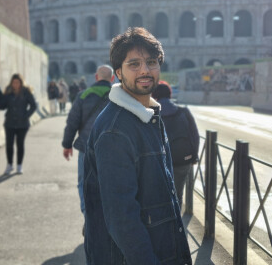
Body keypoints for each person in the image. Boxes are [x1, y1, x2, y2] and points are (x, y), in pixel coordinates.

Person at [84, 27, 192, 265]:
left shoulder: (147, 116)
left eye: (151, 62)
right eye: (134, 64)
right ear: (119, 73)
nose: (145, 70)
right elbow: (122, 219)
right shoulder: (115, 130)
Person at [62, 65, 114, 217]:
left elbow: (72, 122)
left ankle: (89, 217)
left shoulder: (83, 95)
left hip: (86, 146)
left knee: (84, 182)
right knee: (109, 183)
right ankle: (107, 219)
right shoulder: (119, 96)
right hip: (112, 148)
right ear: (112, 78)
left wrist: (67, 145)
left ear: (96, 77)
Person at [152, 81, 200, 208]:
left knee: (158, 194)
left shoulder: (150, 114)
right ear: (170, 94)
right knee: (177, 194)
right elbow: (194, 136)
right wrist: (194, 157)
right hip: (182, 159)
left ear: (154, 95)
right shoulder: (184, 112)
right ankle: (176, 224)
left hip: (158, 161)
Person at [0, 74, 36, 175]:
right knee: (9, 145)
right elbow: (2, 106)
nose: (15, 84)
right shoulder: (9, 91)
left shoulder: (26, 92)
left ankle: (19, 165)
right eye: (13, 82)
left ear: (20, 83)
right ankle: (9, 165)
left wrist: (26, 115)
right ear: (11, 82)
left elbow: (34, 105)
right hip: (9, 123)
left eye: (17, 82)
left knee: (20, 145)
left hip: (22, 124)